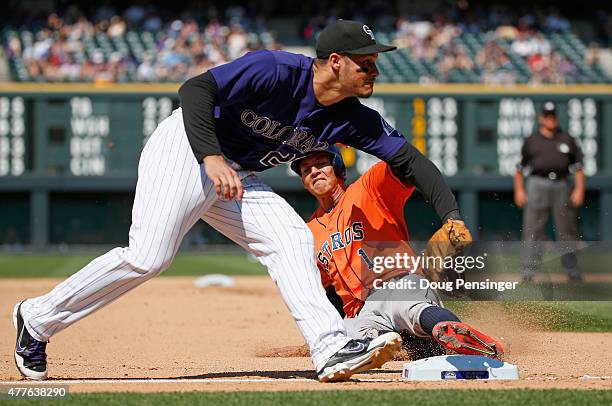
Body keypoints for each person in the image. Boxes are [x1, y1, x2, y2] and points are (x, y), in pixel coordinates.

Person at [13, 19, 451, 383]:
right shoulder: (276, 70)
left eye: (374, 63)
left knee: (291, 238)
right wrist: (210, 156)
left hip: (234, 173)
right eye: (366, 63)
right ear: (335, 62)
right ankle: (36, 319)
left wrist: (449, 213)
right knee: (149, 257)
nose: (374, 71)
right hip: (186, 147)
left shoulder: (352, 118)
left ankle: (330, 346)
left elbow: (408, 160)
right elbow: (194, 91)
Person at [290, 147, 505, 358]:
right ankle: (420, 342)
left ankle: (457, 333)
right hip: (364, 314)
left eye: (321, 164)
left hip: (400, 286)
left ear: (337, 167)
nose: (314, 171)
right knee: (348, 344)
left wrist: (451, 216)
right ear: (303, 181)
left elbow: (412, 164)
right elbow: (330, 293)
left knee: (413, 309)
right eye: (306, 169)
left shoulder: (369, 187)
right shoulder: (309, 232)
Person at [514, 101, 585, 282]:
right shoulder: (532, 140)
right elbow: (519, 168)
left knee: (566, 230)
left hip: (561, 184)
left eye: (552, 115)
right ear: (541, 118)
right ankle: (528, 272)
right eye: (547, 116)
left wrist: (579, 189)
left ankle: (572, 271)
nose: (550, 119)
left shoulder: (566, 138)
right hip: (538, 183)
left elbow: (578, 167)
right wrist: (519, 190)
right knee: (533, 230)